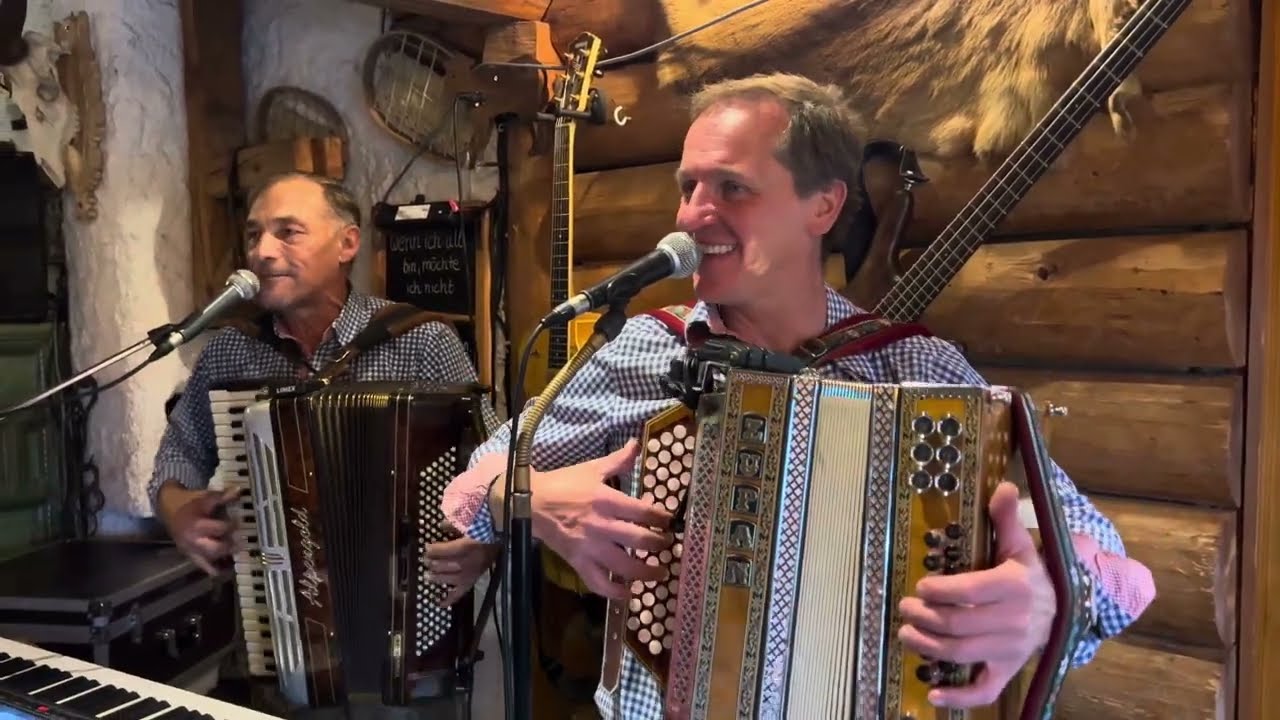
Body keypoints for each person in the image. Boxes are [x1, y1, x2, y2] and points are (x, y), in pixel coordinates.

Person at [434, 73, 1156, 717]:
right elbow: (478, 480)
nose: (691, 215)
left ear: (823, 207)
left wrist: (1047, 602)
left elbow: (1117, 566)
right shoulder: (647, 348)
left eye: (731, 188)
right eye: (688, 187)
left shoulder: (913, 367)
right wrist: (527, 499)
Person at [148, 171, 499, 577]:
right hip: (277, 599)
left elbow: (493, 463)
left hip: (406, 593)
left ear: (347, 244)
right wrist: (177, 510)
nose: (262, 251)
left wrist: (487, 539)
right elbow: (180, 451)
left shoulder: (421, 343)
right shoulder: (232, 350)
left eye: (288, 232)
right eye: (253, 235)